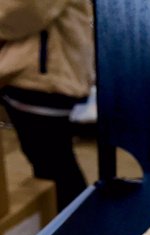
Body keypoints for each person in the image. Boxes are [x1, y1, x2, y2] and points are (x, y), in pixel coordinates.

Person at [0, 0, 95, 211]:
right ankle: (70, 218)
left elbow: (23, 11)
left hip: (44, 79)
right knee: (49, 160)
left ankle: (76, 223)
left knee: (53, 164)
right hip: (39, 76)